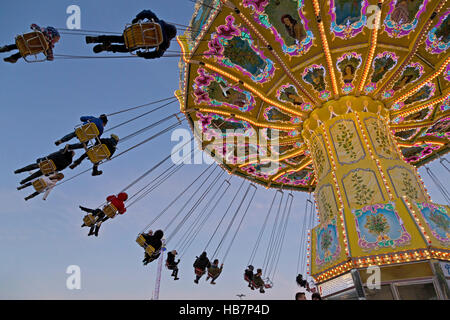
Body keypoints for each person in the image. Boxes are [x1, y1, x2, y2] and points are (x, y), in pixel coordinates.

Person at [85, 9, 177, 59]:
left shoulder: (158, 22)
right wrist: (143, 55)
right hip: (139, 43)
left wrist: (137, 18)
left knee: (120, 38)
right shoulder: (165, 43)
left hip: (135, 32)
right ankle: (109, 48)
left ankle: (96, 39)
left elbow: (147, 12)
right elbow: (157, 54)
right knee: (127, 48)